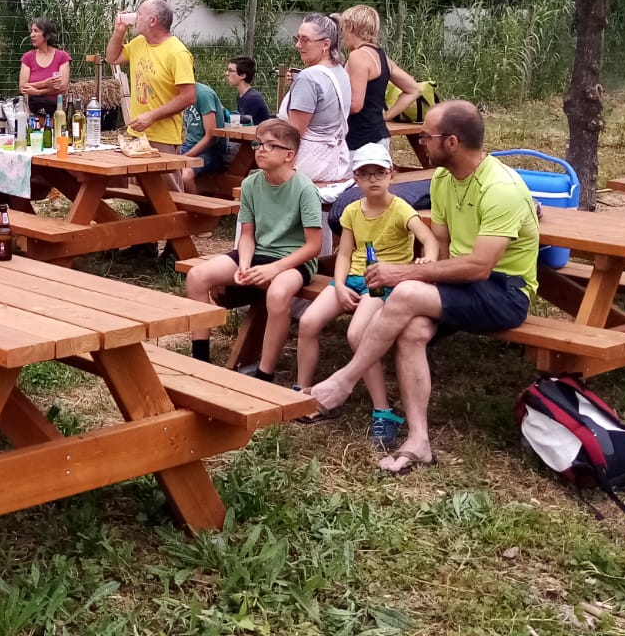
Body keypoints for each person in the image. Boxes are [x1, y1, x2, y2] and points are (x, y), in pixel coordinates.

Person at [308, 101, 540, 474]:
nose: (420, 141)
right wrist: (426, 272)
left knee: (406, 291)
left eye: (425, 136)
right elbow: (445, 250)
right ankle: (419, 441)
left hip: (505, 291)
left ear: (451, 142)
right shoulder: (443, 180)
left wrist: (404, 274)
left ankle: (343, 381)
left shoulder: (501, 189)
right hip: (462, 283)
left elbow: (480, 267)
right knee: (413, 328)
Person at [295, 145, 436, 450]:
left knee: (358, 334)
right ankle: (304, 392)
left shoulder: (400, 208)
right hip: (352, 279)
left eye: (380, 172)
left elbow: (428, 239)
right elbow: (344, 253)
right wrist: (340, 284)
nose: (373, 179)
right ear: (355, 178)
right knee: (308, 321)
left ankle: (383, 411)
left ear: (391, 174)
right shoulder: (351, 211)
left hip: (382, 282)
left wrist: (427, 260)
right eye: (365, 173)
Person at [183, 118, 324, 379]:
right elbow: (247, 235)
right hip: (257, 253)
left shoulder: (305, 189)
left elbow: (314, 246)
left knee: (278, 293)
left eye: (271, 145)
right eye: (259, 143)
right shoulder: (250, 184)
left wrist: (273, 269)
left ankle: (264, 372)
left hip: (293, 260)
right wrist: (246, 264)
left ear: (289, 155)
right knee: (197, 276)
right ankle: (200, 358)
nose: (260, 149)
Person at [104, 0, 195, 154]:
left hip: (163, 138)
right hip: (137, 133)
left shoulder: (177, 53)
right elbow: (112, 58)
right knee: (134, 179)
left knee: (165, 178)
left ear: (152, 21)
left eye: (139, 14)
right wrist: (119, 32)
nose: (134, 17)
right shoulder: (140, 42)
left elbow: (189, 97)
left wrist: (151, 116)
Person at [280, 13, 354, 200]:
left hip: (307, 164)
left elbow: (294, 133)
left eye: (305, 40)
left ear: (326, 44)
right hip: (335, 161)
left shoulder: (308, 77)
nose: (298, 45)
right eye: (297, 38)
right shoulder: (340, 71)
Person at [339, 4, 424, 157]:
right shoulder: (381, 56)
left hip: (359, 138)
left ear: (350, 26)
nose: (342, 35)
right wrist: (386, 116)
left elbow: (355, 105)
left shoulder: (357, 56)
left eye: (343, 28)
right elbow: (414, 89)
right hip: (379, 134)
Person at [180, 81, 230, 194]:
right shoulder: (177, 93)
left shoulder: (203, 94)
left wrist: (182, 159)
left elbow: (210, 137)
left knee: (185, 175)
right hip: (188, 145)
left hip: (211, 151)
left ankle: (194, 210)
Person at [18, 17, 71, 118]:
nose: (31, 35)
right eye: (31, 31)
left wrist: (38, 92)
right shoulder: (27, 57)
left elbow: (63, 87)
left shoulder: (62, 57)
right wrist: (46, 83)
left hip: (55, 112)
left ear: (46, 35)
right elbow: (23, 87)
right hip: (32, 111)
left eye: (36, 31)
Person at [224, 57, 271, 125]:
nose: (226, 73)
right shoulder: (241, 95)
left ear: (242, 75)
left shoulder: (252, 97)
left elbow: (246, 122)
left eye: (230, 71)